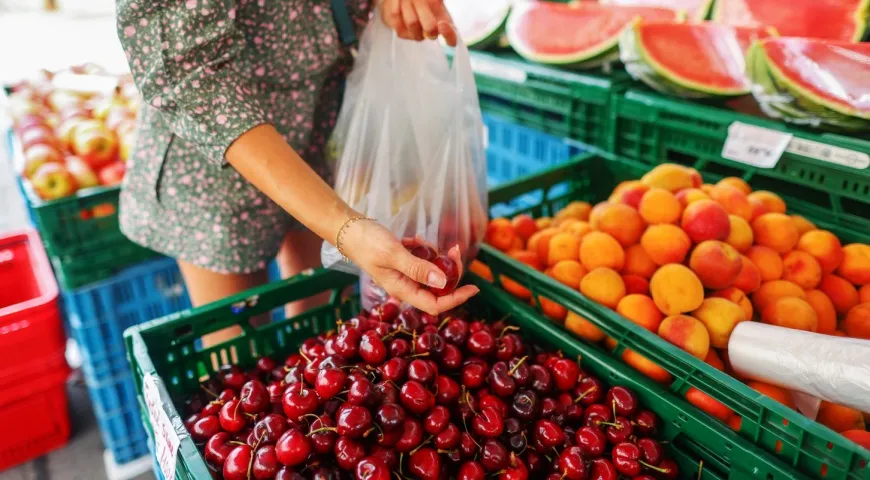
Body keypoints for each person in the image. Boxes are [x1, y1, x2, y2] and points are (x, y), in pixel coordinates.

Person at [115, 0, 480, 340]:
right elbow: (189, 70)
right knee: (239, 349)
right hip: (219, 153)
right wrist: (348, 230)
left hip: (324, 112)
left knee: (319, 333)